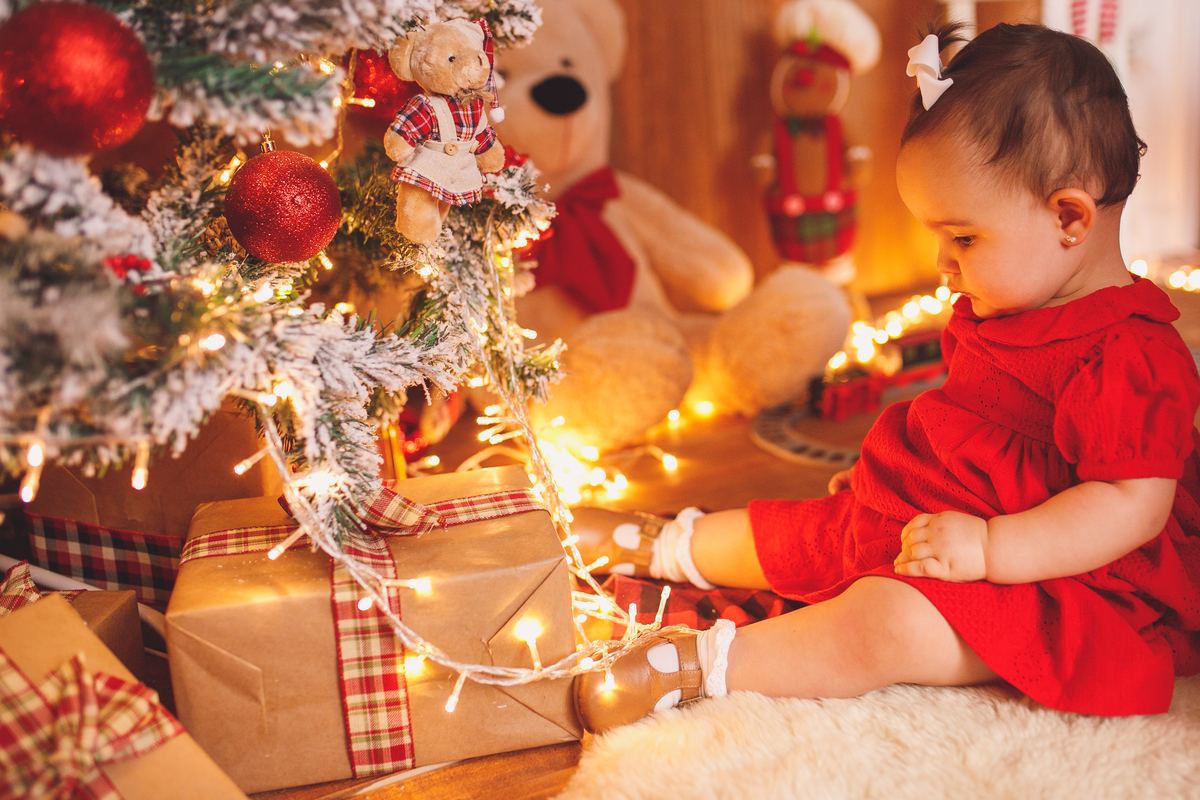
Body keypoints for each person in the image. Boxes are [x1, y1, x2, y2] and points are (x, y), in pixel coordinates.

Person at [571, 22, 1200, 734]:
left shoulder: (1129, 355)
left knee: (891, 622)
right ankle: (661, 545)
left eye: (962, 236)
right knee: (810, 530)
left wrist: (994, 551)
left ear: (1068, 218)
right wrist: (899, 480)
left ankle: (700, 667)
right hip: (949, 516)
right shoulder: (1012, 297)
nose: (942, 261)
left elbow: (1130, 504)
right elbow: (973, 421)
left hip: (1062, 578)